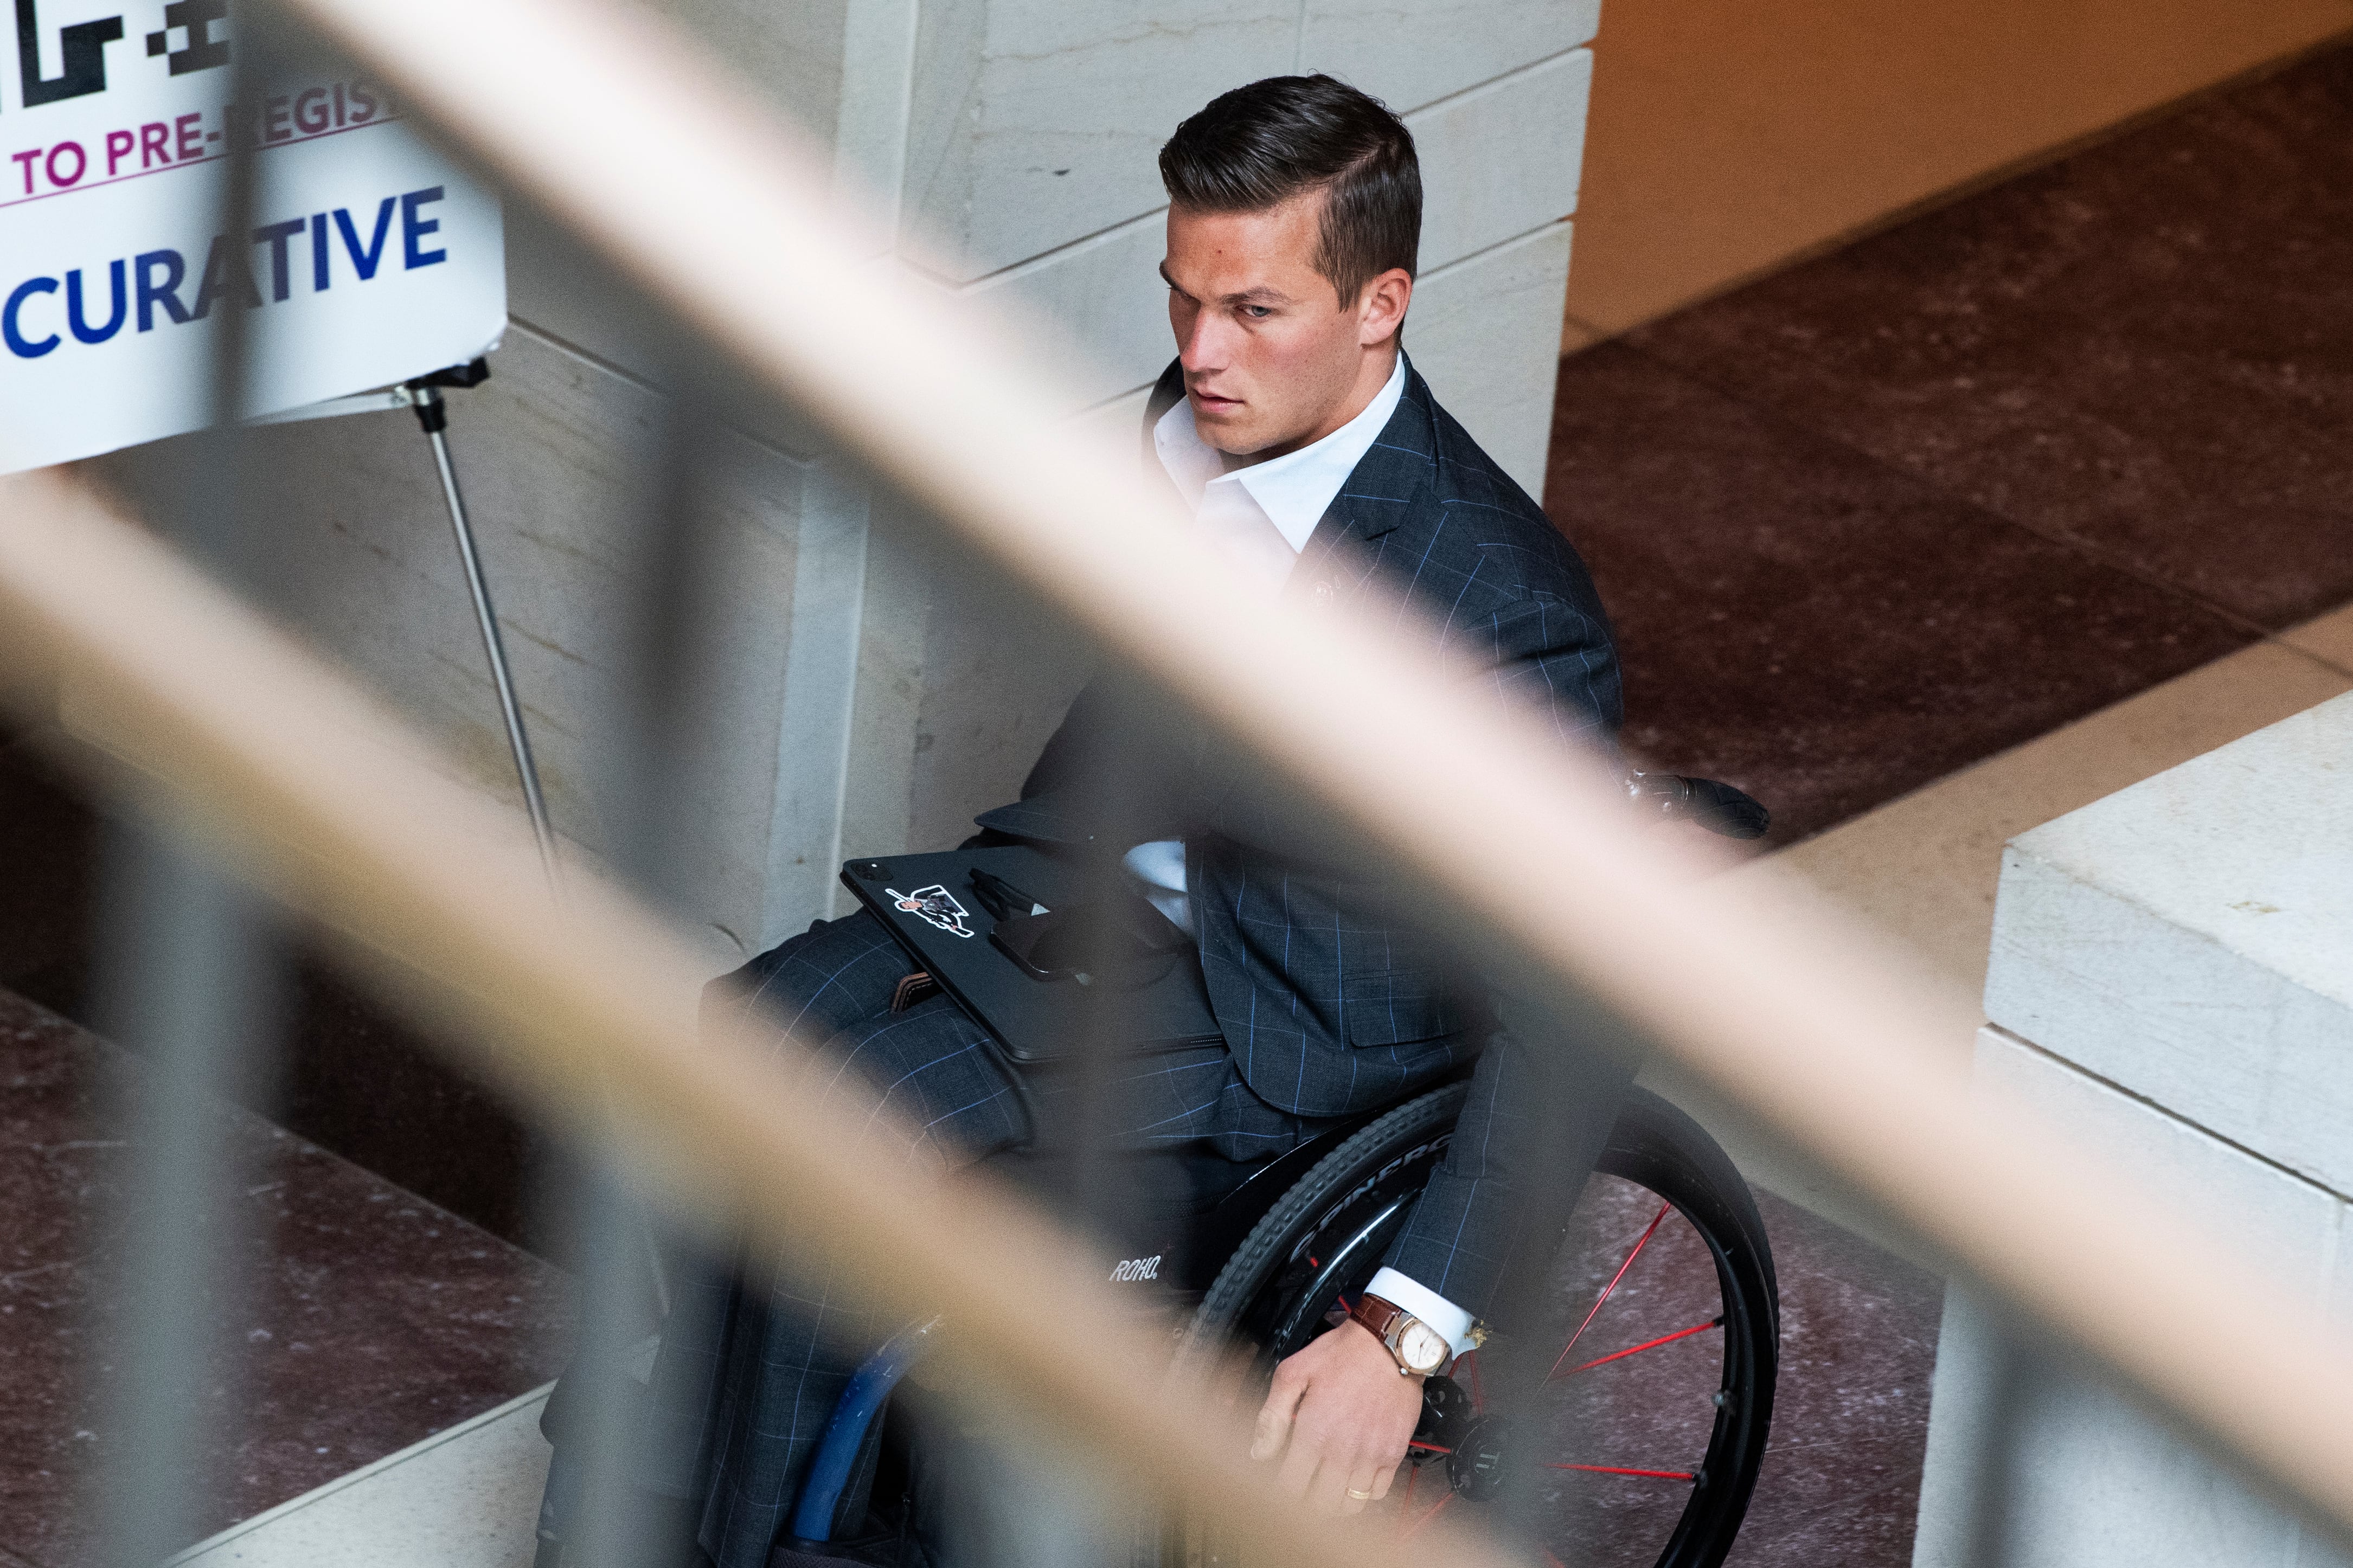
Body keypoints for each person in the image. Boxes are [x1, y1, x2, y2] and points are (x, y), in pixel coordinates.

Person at [600, 73, 1627, 1568]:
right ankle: (689, 1449)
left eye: (1255, 311)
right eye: (1183, 299)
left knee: (852, 1130)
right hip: (1099, 885)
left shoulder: (1502, 613)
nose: (1202, 353)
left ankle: (724, 1534)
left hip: (1289, 1014)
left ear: (1380, 304)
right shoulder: (1196, 423)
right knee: (739, 1030)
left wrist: (1402, 1332)